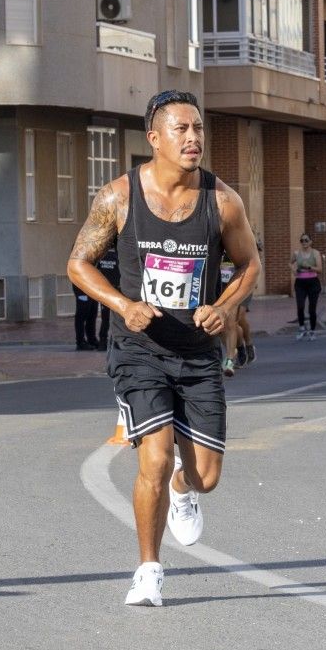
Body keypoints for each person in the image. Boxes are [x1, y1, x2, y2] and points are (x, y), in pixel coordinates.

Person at [67, 90, 259, 608]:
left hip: (197, 353)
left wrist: (224, 307)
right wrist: (122, 303)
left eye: (198, 128)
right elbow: (78, 264)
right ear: (154, 138)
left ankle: (183, 489)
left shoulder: (222, 201)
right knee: (153, 456)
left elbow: (249, 266)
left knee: (206, 476)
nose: (194, 138)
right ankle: (149, 570)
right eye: (181, 129)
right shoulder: (118, 197)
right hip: (139, 348)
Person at [293, 233, 324, 340]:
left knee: (312, 308)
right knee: (300, 306)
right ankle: (302, 328)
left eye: (306, 240)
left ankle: (312, 331)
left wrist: (310, 267)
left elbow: (320, 269)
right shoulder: (297, 253)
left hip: (313, 282)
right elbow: (289, 263)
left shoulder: (315, 253)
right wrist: (294, 270)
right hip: (300, 282)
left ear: (311, 242)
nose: (304, 243)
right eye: (302, 241)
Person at [95, 245, 121, 350]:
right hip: (117, 291)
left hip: (105, 291)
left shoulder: (101, 257)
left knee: (105, 319)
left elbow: (97, 271)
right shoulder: (117, 256)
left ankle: (102, 342)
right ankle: (116, 342)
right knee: (118, 319)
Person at [72, 275, 100, 351]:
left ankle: (92, 339)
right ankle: (80, 342)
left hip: (92, 287)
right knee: (81, 315)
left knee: (92, 314)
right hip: (81, 288)